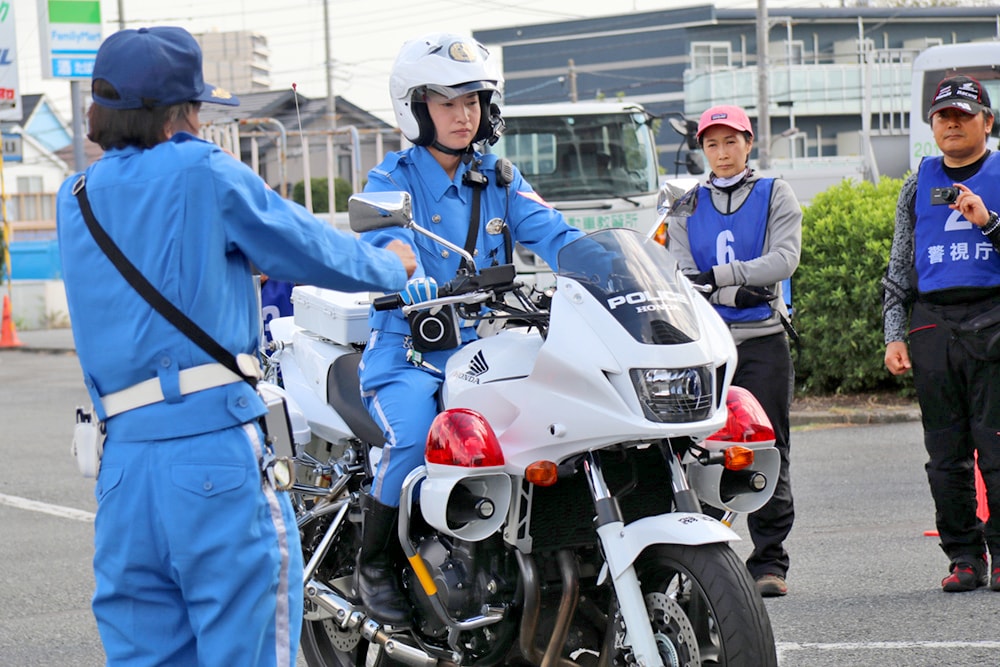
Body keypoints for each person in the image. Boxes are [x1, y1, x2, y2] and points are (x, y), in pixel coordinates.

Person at [56, 26, 416, 666]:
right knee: (242, 648)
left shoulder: (75, 197)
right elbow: (309, 248)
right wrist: (392, 262)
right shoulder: (201, 170)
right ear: (179, 114)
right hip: (213, 455)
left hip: (123, 465)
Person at [355, 32, 584, 625]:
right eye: (448, 102)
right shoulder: (393, 179)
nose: (463, 115)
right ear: (416, 108)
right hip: (410, 351)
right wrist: (403, 271)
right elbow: (386, 241)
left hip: (487, 353)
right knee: (411, 438)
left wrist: (606, 267)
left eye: (473, 101)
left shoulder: (499, 178)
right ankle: (373, 563)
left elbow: (556, 235)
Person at [666, 104, 801, 597]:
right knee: (690, 451)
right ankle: (698, 561)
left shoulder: (775, 193)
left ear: (749, 143)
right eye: (711, 144)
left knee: (768, 449)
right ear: (701, 150)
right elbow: (677, 271)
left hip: (763, 340)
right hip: (704, 347)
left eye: (730, 141)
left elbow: (783, 260)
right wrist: (733, 289)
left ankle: (770, 561)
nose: (721, 153)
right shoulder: (685, 202)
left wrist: (721, 280)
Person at [883, 74, 1000, 593]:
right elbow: (899, 267)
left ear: (987, 122)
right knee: (945, 455)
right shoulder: (918, 182)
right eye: (943, 116)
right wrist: (894, 334)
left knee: (996, 447)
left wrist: (988, 221)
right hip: (932, 325)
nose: (952, 123)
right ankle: (965, 557)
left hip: (993, 319)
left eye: (964, 115)